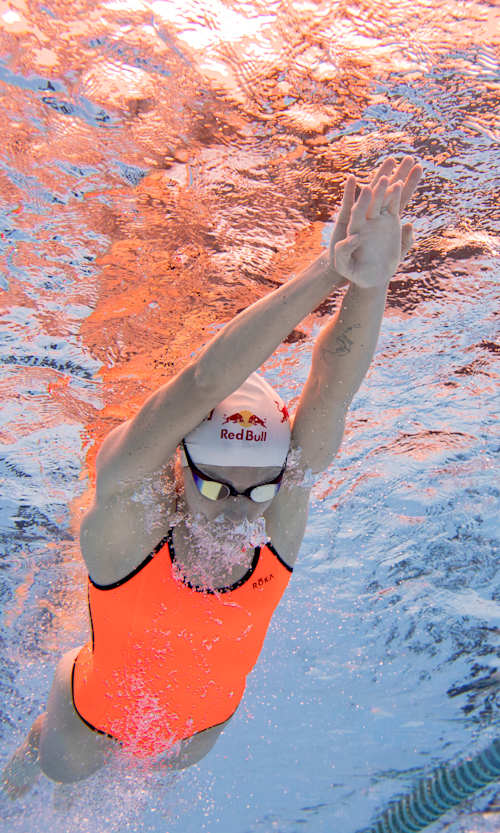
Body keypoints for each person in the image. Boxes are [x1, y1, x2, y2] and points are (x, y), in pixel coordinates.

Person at [2, 155, 423, 796]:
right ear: (179, 464)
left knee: (151, 780)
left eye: (258, 490)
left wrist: (372, 282)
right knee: (55, 770)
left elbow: (334, 389)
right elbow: (201, 383)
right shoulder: (129, 523)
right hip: (86, 728)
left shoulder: (280, 503)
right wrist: (325, 271)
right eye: (214, 486)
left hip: (192, 738)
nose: (236, 511)